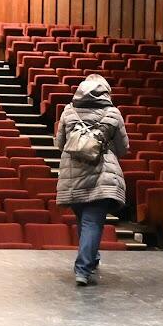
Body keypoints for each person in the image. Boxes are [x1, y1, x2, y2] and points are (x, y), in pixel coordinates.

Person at [54, 74, 130, 287]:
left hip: (73, 174)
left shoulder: (69, 111)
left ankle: (91, 259)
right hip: (101, 174)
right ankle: (83, 268)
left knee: (84, 222)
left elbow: (60, 144)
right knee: (91, 223)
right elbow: (124, 148)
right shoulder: (113, 113)